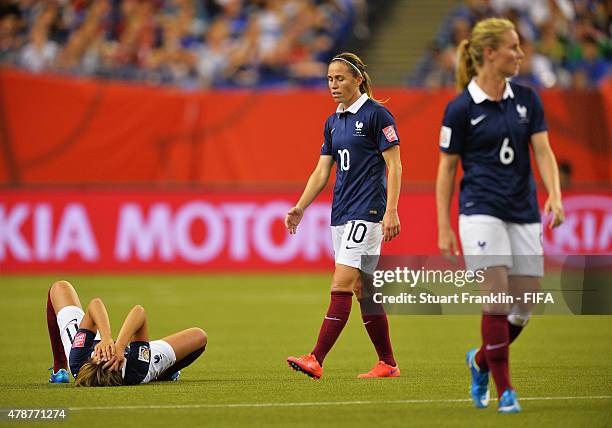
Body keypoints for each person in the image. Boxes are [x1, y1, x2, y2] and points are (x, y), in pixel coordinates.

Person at [436, 18, 564, 413]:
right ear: (489, 53)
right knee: (495, 297)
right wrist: (444, 224)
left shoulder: (528, 99)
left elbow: (542, 151)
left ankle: (479, 362)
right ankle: (506, 391)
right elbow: (446, 169)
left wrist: (555, 196)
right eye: (513, 47)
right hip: (480, 211)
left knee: (524, 307)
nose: (520, 54)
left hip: (523, 210)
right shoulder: (460, 108)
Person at [285, 52, 403, 379]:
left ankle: (315, 358)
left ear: (358, 79)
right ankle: (388, 364)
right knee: (363, 291)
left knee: (341, 283)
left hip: (367, 212)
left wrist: (391, 210)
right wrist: (301, 206)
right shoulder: (333, 121)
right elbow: (322, 170)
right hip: (341, 214)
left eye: (339, 78)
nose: (333, 85)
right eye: (329, 79)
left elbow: (394, 165)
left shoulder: (378, 115)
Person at [46, 280, 207, 386]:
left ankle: (59, 369)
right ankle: (167, 372)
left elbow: (94, 305)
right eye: (106, 356)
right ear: (118, 364)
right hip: (138, 357)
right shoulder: (135, 370)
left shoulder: (79, 361)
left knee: (59, 287)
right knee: (199, 337)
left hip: (90, 349)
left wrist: (107, 337)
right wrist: (120, 346)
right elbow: (139, 313)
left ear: (91, 360)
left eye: (98, 355)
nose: (102, 352)